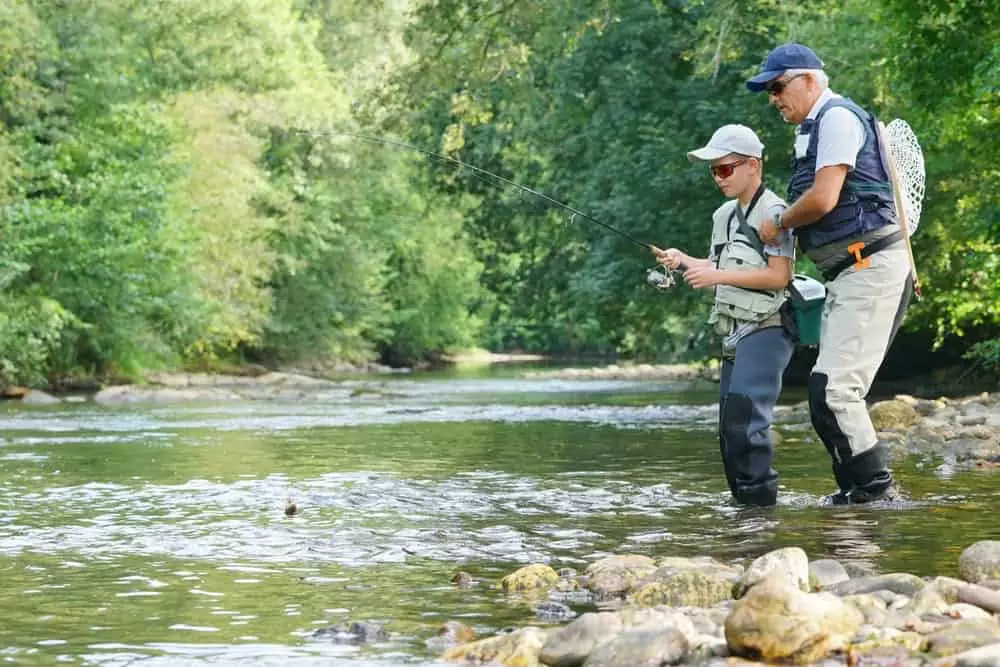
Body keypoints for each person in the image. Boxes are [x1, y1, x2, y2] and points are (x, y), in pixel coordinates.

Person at [746, 43, 913, 504]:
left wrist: (778, 222)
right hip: (848, 272)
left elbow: (822, 199)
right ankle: (856, 494)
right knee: (825, 393)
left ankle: (875, 494)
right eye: (768, 91)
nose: (773, 98)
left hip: (871, 266)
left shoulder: (837, 119)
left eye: (777, 87)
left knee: (834, 390)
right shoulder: (813, 129)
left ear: (808, 80)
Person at [653, 124, 795, 507]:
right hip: (733, 332)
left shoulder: (775, 212)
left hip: (767, 329)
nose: (718, 178)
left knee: (748, 427)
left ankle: (760, 517)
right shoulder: (723, 215)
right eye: (713, 170)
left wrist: (715, 275)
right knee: (729, 432)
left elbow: (779, 275)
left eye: (724, 169)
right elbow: (716, 264)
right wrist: (683, 261)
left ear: (753, 165)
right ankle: (743, 516)